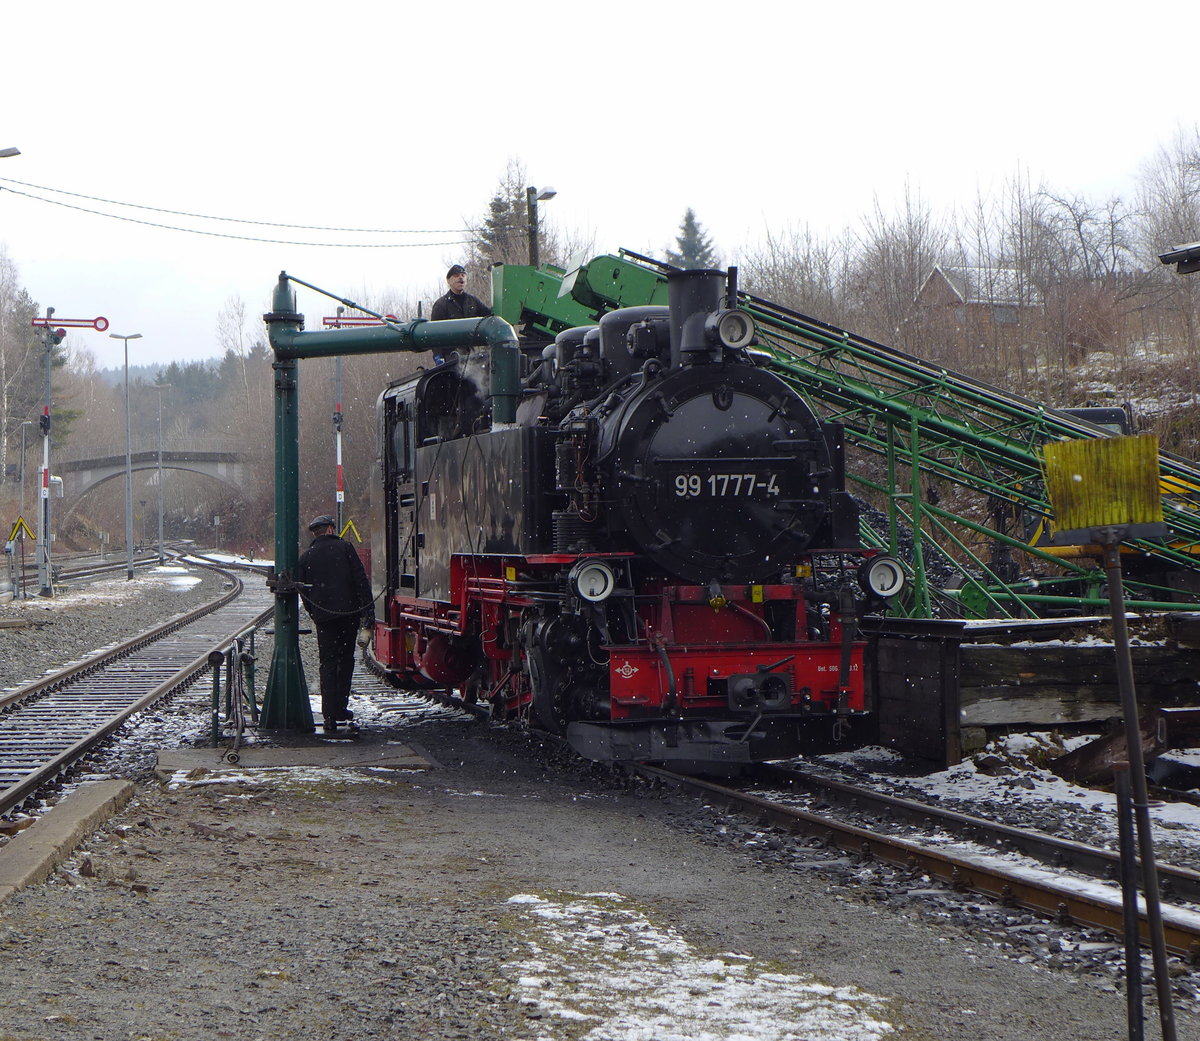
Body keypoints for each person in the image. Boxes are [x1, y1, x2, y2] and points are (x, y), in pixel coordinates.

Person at [295, 515, 375, 733]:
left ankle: (329, 715)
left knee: (327, 663)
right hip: (348, 616)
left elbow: (303, 591)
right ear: (330, 529)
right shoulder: (345, 548)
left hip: (324, 619)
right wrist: (367, 611)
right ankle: (341, 707)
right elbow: (361, 580)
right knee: (345, 660)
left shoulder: (306, 557)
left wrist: (315, 612)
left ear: (315, 533)